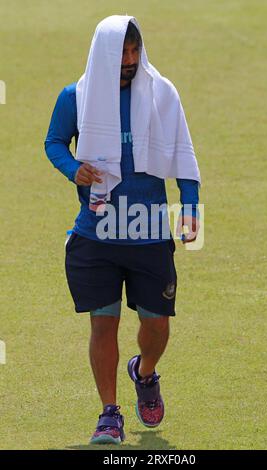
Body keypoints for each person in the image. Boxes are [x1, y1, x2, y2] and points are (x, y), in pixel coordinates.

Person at [44, 15, 201, 445]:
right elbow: (54, 141)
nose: (130, 61)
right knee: (103, 324)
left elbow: (183, 157)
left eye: (135, 52)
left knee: (157, 326)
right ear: (105, 55)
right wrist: (73, 169)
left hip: (148, 234)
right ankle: (108, 415)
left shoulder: (162, 94)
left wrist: (190, 209)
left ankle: (144, 371)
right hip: (96, 235)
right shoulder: (75, 96)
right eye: (122, 54)